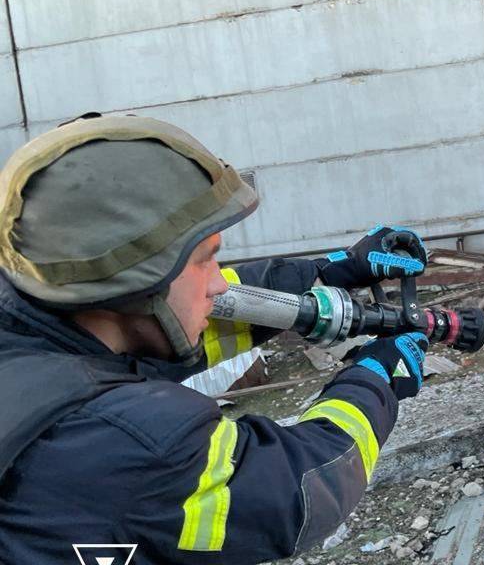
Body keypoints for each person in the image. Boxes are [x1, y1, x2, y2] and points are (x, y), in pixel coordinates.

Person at [0, 114, 436, 564]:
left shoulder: (41, 314)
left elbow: (181, 324)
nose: (220, 283)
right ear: (137, 283)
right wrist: (375, 379)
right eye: (204, 260)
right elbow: (300, 487)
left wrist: (325, 272)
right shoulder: (130, 443)